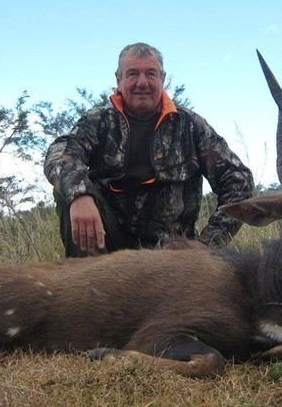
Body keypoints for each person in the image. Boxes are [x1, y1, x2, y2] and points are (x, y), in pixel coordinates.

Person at [44, 42, 254, 257]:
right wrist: (80, 196)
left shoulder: (190, 125)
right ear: (119, 80)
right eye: (132, 73)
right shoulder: (98, 122)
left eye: (151, 74)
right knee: (67, 191)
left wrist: (209, 243)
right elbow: (61, 153)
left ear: (162, 79)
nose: (142, 82)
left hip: (173, 251)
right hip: (108, 246)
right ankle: (87, 282)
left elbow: (239, 179)